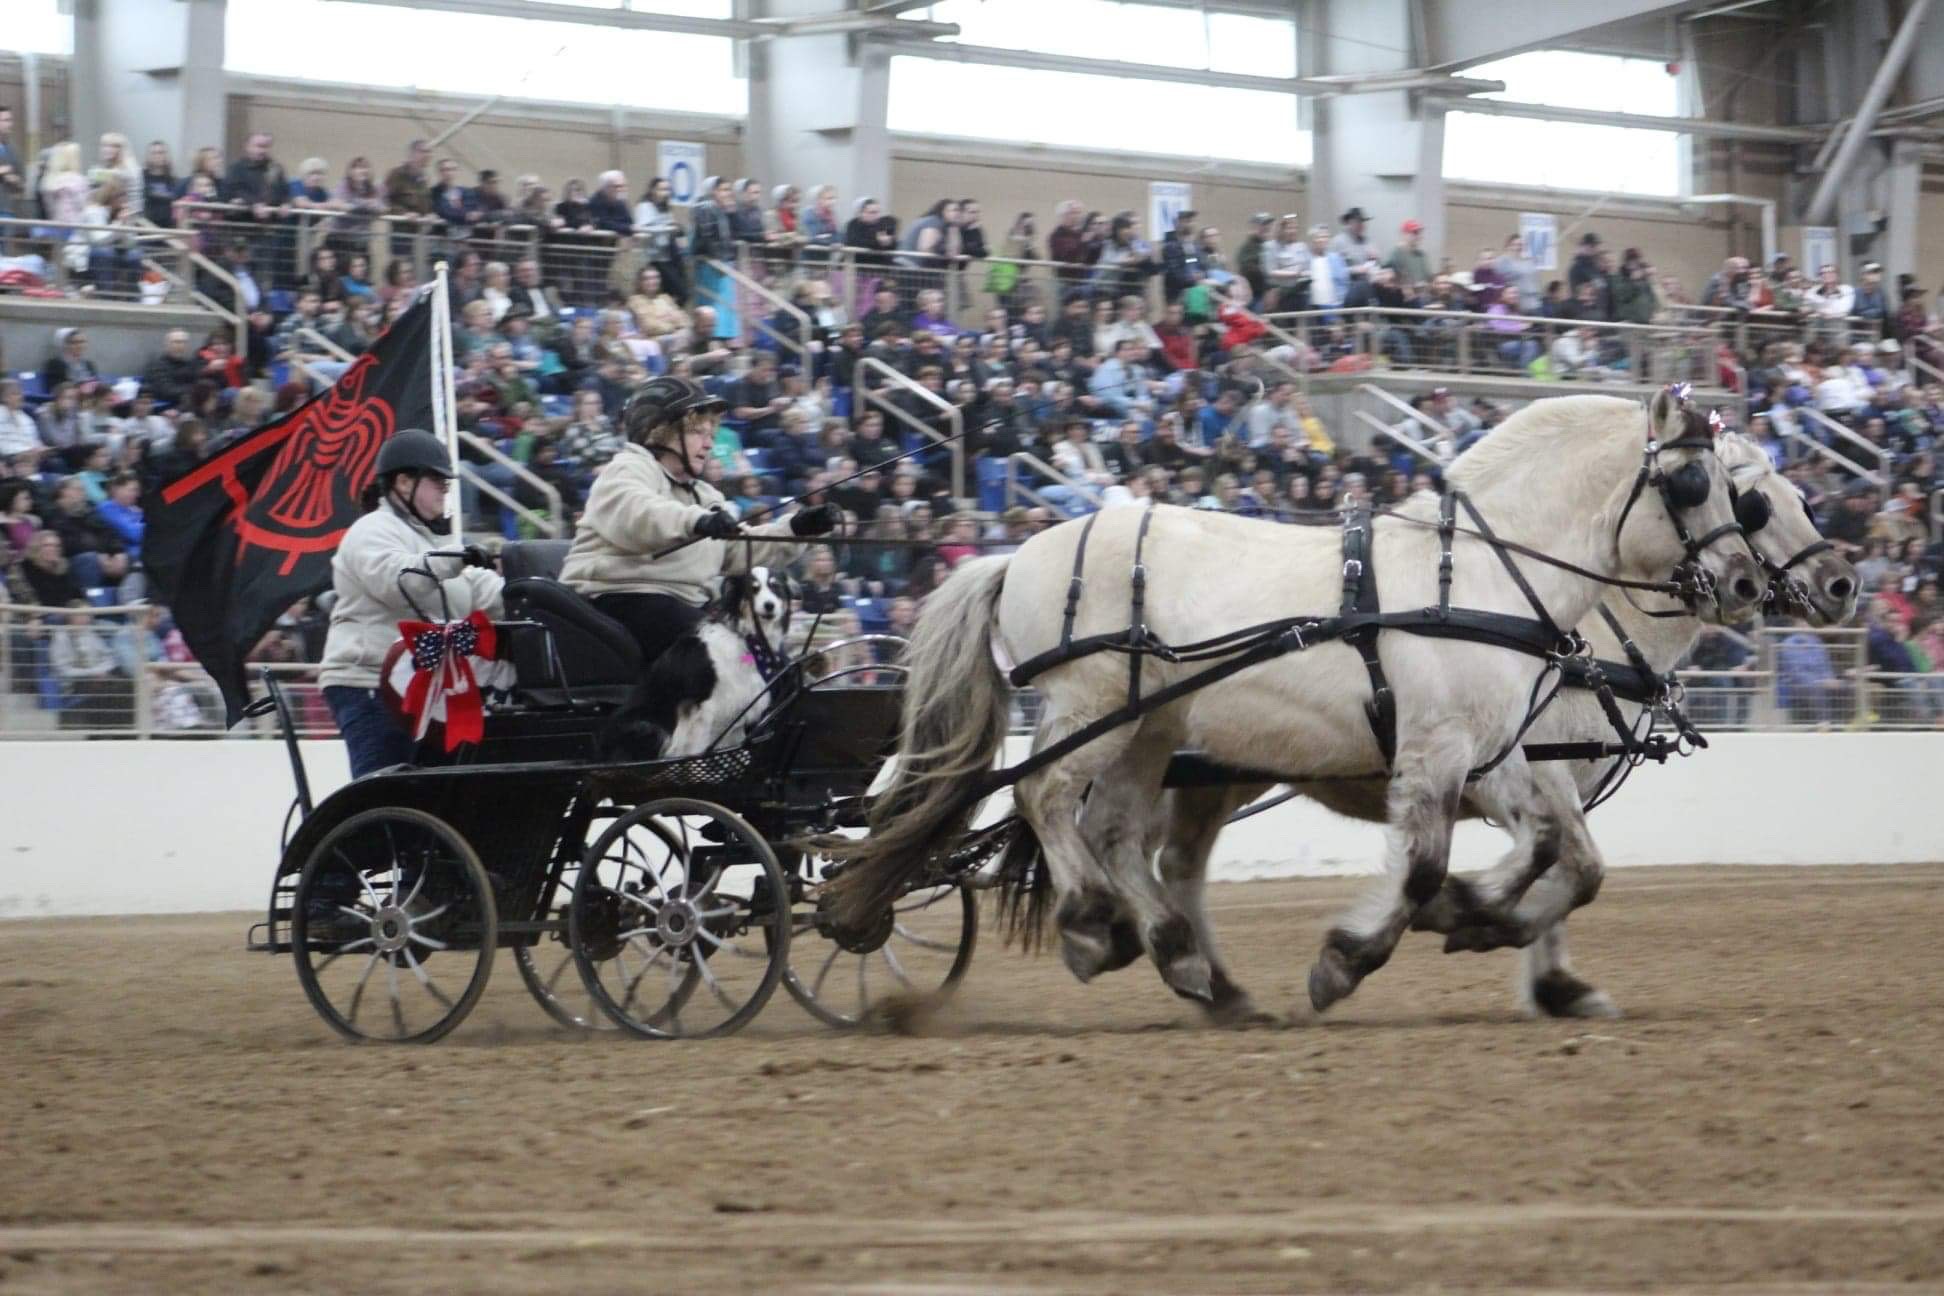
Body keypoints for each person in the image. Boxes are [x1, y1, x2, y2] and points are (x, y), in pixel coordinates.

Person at [560, 376, 840, 673]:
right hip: (618, 601)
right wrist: (697, 520)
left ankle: (783, 688)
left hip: (682, 608)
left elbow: (736, 550)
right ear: (660, 432)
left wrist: (794, 530)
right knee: (720, 652)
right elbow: (638, 513)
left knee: (758, 660)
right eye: (697, 432)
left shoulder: (704, 494)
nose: (709, 443)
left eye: (711, 432)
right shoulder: (627, 469)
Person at [317, 431, 504, 777]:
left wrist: (526, 593)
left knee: (441, 790)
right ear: (404, 482)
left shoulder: (434, 541)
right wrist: (455, 559)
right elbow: (397, 580)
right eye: (437, 482)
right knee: (386, 788)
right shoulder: (371, 529)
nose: (445, 492)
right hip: (369, 680)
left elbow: (480, 589)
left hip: (423, 685)